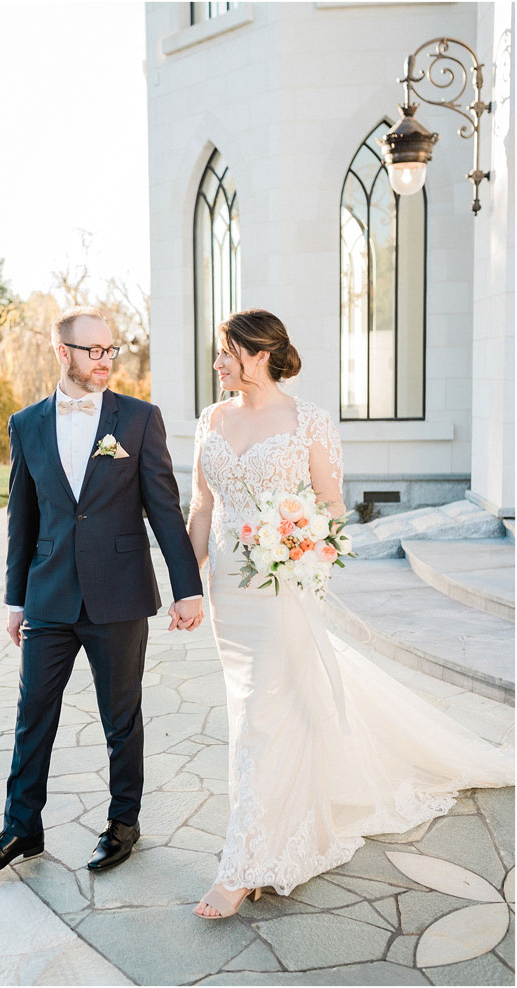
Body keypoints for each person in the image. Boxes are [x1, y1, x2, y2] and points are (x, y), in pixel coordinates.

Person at [187, 307, 514, 919]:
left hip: (283, 589)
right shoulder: (211, 418)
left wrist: (303, 553)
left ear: (259, 354)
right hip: (228, 594)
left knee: (263, 712)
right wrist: (187, 581)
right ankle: (278, 821)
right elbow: (202, 508)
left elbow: (330, 508)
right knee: (257, 711)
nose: (218, 362)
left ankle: (244, 862)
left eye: (227, 352)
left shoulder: (309, 421)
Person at [0, 306, 203, 876]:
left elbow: (165, 509)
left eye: (111, 350)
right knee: (32, 714)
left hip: (118, 595)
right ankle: (22, 830)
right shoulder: (26, 424)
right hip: (48, 596)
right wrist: (16, 599)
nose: (106, 361)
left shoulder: (139, 419)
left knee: (121, 717)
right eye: (94, 351)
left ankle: (123, 824)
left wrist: (186, 588)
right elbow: (24, 518)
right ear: (63, 353)